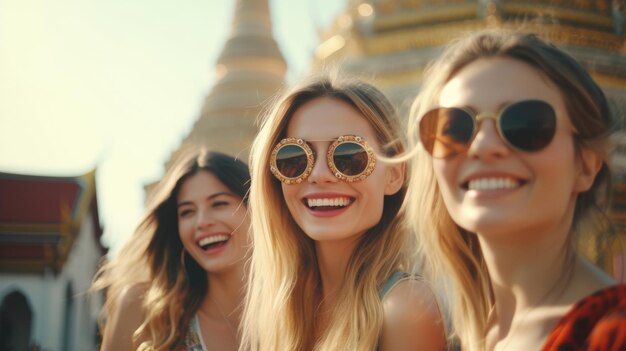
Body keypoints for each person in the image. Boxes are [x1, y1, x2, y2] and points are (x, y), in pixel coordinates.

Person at [406, 30, 626, 350]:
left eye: (525, 124)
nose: (482, 146)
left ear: (586, 165)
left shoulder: (613, 333)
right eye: (455, 127)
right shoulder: (472, 336)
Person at [240, 74, 446, 351]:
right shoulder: (281, 310)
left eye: (348, 156)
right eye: (294, 159)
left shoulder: (405, 308)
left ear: (394, 174)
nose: (319, 175)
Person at [92, 149, 251, 351]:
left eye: (219, 204)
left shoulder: (296, 312)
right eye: (187, 212)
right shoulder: (143, 310)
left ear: (257, 210)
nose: (201, 222)